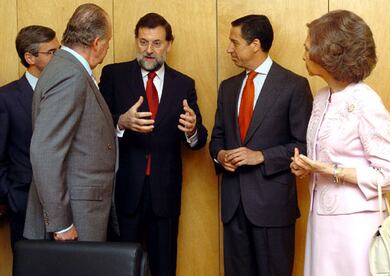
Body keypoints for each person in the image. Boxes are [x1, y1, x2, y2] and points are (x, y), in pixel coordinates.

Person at [290, 10, 390, 276]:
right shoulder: (320, 97)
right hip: (322, 220)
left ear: (328, 54)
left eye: (307, 48)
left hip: (355, 225)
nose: (303, 54)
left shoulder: (366, 102)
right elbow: (324, 156)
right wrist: (307, 167)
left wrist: (331, 170)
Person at [99, 12, 207, 276]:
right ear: (136, 41)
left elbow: (198, 139)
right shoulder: (113, 75)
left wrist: (192, 130)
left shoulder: (184, 84)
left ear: (169, 44)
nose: (149, 50)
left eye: (156, 43)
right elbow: (94, 126)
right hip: (124, 192)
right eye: (143, 42)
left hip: (165, 194)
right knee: (121, 268)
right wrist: (121, 122)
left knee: (164, 267)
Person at [210, 14, 313, 276]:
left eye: (234, 42)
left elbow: (304, 146)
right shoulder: (228, 87)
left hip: (273, 207)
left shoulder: (294, 86)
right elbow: (217, 138)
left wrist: (261, 156)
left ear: (255, 44)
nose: (228, 49)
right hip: (233, 208)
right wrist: (220, 155)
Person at [23, 3, 117, 241]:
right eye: (108, 41)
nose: (107, 47)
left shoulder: (65, 67)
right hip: (75, 215)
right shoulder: (70, 75)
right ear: (96, 42)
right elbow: (45, 151)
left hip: (80, 210)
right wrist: (62, 224)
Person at [0, 25, 59, 250]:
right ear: (29, 57)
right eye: (51, 52)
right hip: (23, 203)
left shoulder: (65, 92)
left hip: (64, 205)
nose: (58, 57)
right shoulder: (6, 98)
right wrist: (10, 195)